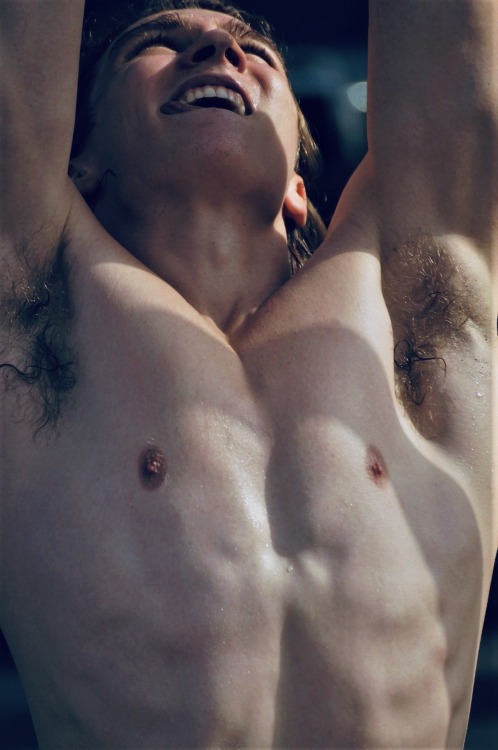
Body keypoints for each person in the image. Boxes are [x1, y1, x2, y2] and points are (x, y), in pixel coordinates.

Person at [0, 0, 496, 747]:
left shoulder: (417, 317)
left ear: (298, 183)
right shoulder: (30, 324)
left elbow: (454, 85)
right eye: (155, 43)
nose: (216, 50)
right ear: (80, 160)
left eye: (253, 49)